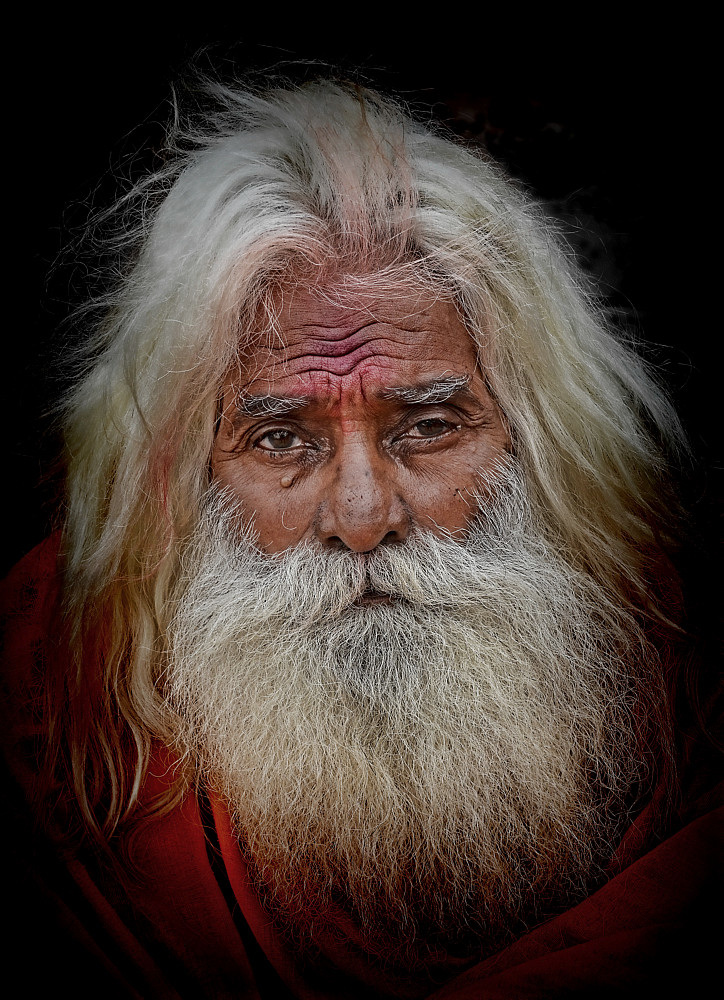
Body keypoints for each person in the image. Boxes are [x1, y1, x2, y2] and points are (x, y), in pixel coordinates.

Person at [1, 75, 720, 999]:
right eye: (279, 439)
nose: (363, 516)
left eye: (428, 425)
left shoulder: (688, 669)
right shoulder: (52, 704)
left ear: (540, 446)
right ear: (178, 486)